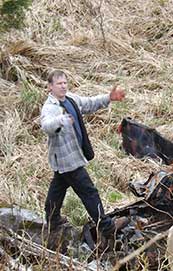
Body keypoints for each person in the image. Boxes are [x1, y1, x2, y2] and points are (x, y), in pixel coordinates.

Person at [40, 69, 128, 238]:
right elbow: (46, 126)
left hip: (66, 159)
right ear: (50, 87)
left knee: (57, 188)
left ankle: (52, 220)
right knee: (89, 191)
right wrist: (61, 121)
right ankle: (106, 226)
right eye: (59, 84)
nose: (63, 86)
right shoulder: (50, 108)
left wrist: (109, 98)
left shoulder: (71, 99)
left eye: (65, 82)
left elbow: (89, 103)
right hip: (68, 159)